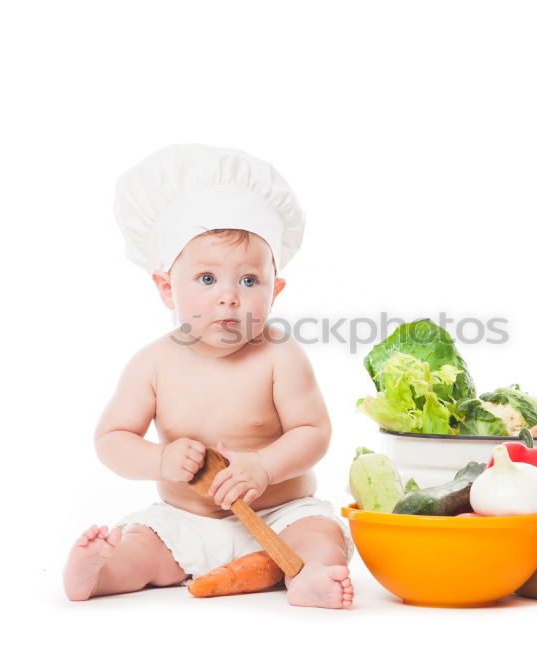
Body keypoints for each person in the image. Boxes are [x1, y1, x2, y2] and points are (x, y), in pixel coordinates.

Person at [63, 145, 354, 609]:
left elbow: (314, 432)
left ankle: (309, 577)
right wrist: (159, 461)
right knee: (144, 546)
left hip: (280, 513)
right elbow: (112, 439)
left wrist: (265, 466)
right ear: (165, 287)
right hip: (187, 519)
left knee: (320, 533)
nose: (228, 299)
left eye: (248, 281)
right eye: (205, 279)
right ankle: (102, 572)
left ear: (275, 291)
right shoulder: (153, 363)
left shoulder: (280, 355)